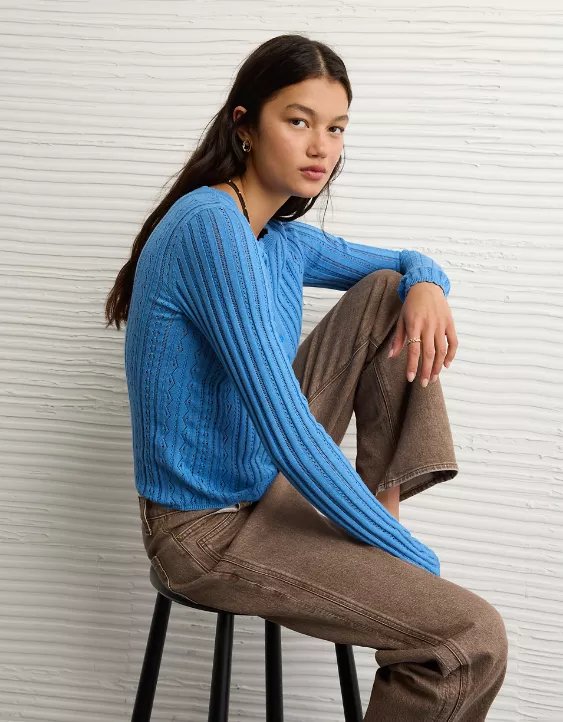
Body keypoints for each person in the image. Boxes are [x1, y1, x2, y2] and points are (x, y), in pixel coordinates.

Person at [105, 33, 508, 722]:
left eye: (336, 128)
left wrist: (426, 284)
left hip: (258, 481)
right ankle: (385, 537)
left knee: (386, 292)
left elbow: (405, 261)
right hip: (205, 530)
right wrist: (409, 560)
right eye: (298, 121)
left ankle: (383, 502)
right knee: (469, 637)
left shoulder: (281, 238)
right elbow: (289, 432)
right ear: (245, 125)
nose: (321, 146)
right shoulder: (209, 225)